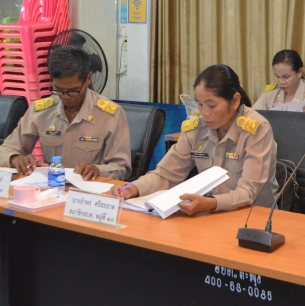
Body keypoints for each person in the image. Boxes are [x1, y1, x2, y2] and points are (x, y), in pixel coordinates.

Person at [110, 64, 278, 215]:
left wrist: (210, 203)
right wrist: (133, 188)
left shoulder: (257, 129)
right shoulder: (197, 129)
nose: (204, 113)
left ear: (234, 101)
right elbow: (165, 175)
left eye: (211, 106)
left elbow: (248, 192)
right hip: (211, 214)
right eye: (200, 104)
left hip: (254, 217)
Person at [0, 46, 131, 180]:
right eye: (58, 89)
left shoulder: (110, 114)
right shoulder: (41, 111)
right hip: (51, 186)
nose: (65, 96)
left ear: (88, 79)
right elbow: (4, 150)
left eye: (73, 90)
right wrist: (15, 158)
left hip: (89, 188)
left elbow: (122, 167)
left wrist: (97, 170)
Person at [252, 50, 305, 114]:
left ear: (299, 72)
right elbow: (252, 116)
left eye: (286, 77)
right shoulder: (270, 94)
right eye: (277, 76)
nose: (281, 82)